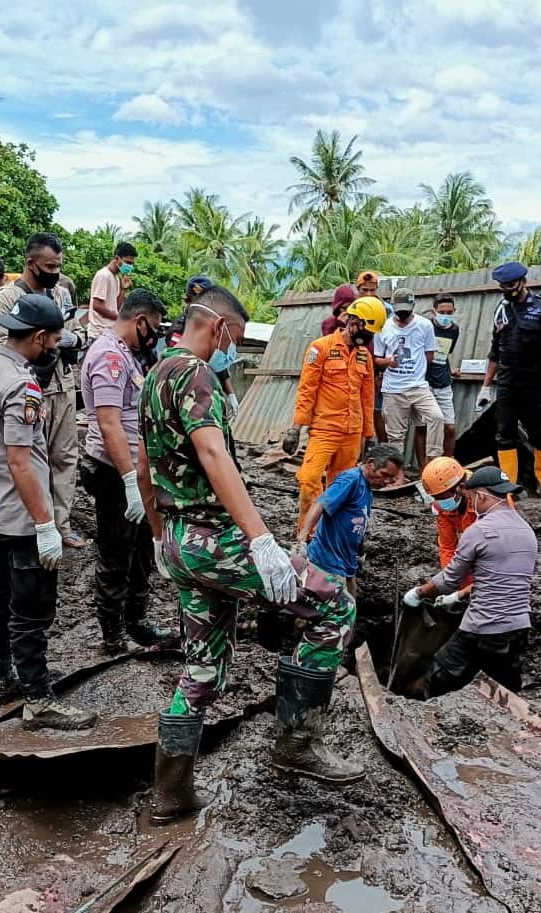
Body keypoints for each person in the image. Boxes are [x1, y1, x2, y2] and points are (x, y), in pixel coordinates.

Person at [138, 284, 364, 826]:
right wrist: (261, 540)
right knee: (334, 607)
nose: (232, 351)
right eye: (234, 338)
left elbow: (146, 467)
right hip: (216, 540)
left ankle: (170, 793)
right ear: (219, 328)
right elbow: (215, 454)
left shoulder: (153, 376)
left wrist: (156, 534)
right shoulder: (196, 375)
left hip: (178, 540)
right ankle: (296, 742)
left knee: (203, 668)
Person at [0, 290, 97, 728]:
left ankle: (0, 679)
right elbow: (20, 459)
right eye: (57, 339)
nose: (59, 346)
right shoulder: (23, 385)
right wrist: (46, 524)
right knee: (31, 608)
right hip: (24, 515)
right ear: (40, 338)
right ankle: (38, 700)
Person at [80, 288, 177, 654]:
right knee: (116, 552)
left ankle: (136, 620)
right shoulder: (109, 357)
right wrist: (129, 483)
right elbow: (109, 424)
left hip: (134, 472)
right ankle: (112, 633)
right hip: (112, 472)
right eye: (152, 328)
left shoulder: (128, 354)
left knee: (140, 551)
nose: (154, 336)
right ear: (139, 321)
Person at [401, 465, 536, 695]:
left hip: (483, 627)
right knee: (505, 687)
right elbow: (500, 578)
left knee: (441, 675)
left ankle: (422, 716)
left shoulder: (479, 530)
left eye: (472, 497)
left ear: (480, 495)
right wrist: (460, 595)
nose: (470, 501)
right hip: (519, 627)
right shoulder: (527, 532)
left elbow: (448, 580)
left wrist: (419, 593)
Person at [0, 232, 88, 549]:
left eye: (59, 265)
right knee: (30, 459)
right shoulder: (8, 297)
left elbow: (74, 334)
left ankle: (61, 524)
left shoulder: (60, 294)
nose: (55, 271)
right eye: (49, 265)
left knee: (65, 456)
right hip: (28, 388)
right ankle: (33, 523)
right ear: (31, 263)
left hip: (62, 384)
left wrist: (72, 340)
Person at [282, 296, 381, 533]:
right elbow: (307, 390)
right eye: (365, 329)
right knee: (309, 479)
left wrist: (369, 435)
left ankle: (329, 536)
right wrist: (296, 428)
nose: (367, 337)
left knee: (342, 486)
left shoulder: (364, 356)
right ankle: (307, 533)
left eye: (372, 333)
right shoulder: (321, 348)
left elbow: (368, 398)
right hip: (325, 429)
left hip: (352, 433)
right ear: (352, 320)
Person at [475, 262, 541, 497]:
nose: (507, 290)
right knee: (504, 433)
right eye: (502, 286)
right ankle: (510, 486)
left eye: (510, 285)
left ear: (523, 282)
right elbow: (495, 351)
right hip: (508, 383)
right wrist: (486, 386)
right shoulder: (502, 309)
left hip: (536, 384)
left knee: (540, 434)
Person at [297, 444, 404, 595]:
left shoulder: (367, 490)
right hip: (327, 561)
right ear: (370, 463)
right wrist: (303, 536)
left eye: (391, 478)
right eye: (384, 475)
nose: (387, 482)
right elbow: (320, 504)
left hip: (346, 563)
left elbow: (359, 526)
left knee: (350, 603)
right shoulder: (350, 479)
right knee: (332, 610)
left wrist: (360, 555)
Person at [375, 288, 444, 469]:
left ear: (413, 306)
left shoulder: (425, 325)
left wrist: (415, 370)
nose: (403, 314)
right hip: (393, 389)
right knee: (395, 436)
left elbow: (429, 355)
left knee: (436, 417)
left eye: (406, 309)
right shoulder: (383, 327)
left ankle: (433, 462)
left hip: (418, 386)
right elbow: (376, 359)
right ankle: (396, 473)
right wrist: (388, 362)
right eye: (399, 310)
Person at [167, 277, 239, 414]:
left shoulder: (213, 327)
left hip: (207, 392)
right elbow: (180, 366)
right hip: (187, 395)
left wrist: (231, 395)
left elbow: (220, 365)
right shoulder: (179, 329)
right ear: (188, 301)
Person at [421, 457, 477, 580]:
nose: (440, 503)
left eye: (443, 498)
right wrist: (449, 581)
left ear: (460, 488)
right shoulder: (444, 510)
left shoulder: (487, 500)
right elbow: (447, 547)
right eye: (436, 498)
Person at [356, 269, 389, 442]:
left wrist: (381, 371)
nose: (368, 294)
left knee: (376, 411)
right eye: (364, 290)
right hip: (356, 367)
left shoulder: (386, 311)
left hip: (377, 370)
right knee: (356, 411)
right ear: (358, 289)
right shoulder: (352, 310)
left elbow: (390, 341)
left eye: (372, 290)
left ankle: (382, 451)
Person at [426, 296, 461, 457]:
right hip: (425, 382)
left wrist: (449, 370)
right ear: (434, 311)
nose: (445, 315)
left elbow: (445, 354)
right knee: (425, 426)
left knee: (450, 427)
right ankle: (423, 467)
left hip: (444, 381)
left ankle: (449, 462)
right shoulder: (426, 327)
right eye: (442, 312)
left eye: (449, 312)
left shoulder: (454, 330)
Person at [87, 241, 137, 341]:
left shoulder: (116, 278)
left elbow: (116, 307)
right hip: (98, 334)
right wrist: (120, 318)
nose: (130, 266)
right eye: (127, 262)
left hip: (109, 333)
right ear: (117, 258)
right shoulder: (103, 275)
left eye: (132, 264)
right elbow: (97, 306)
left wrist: (123, 289)